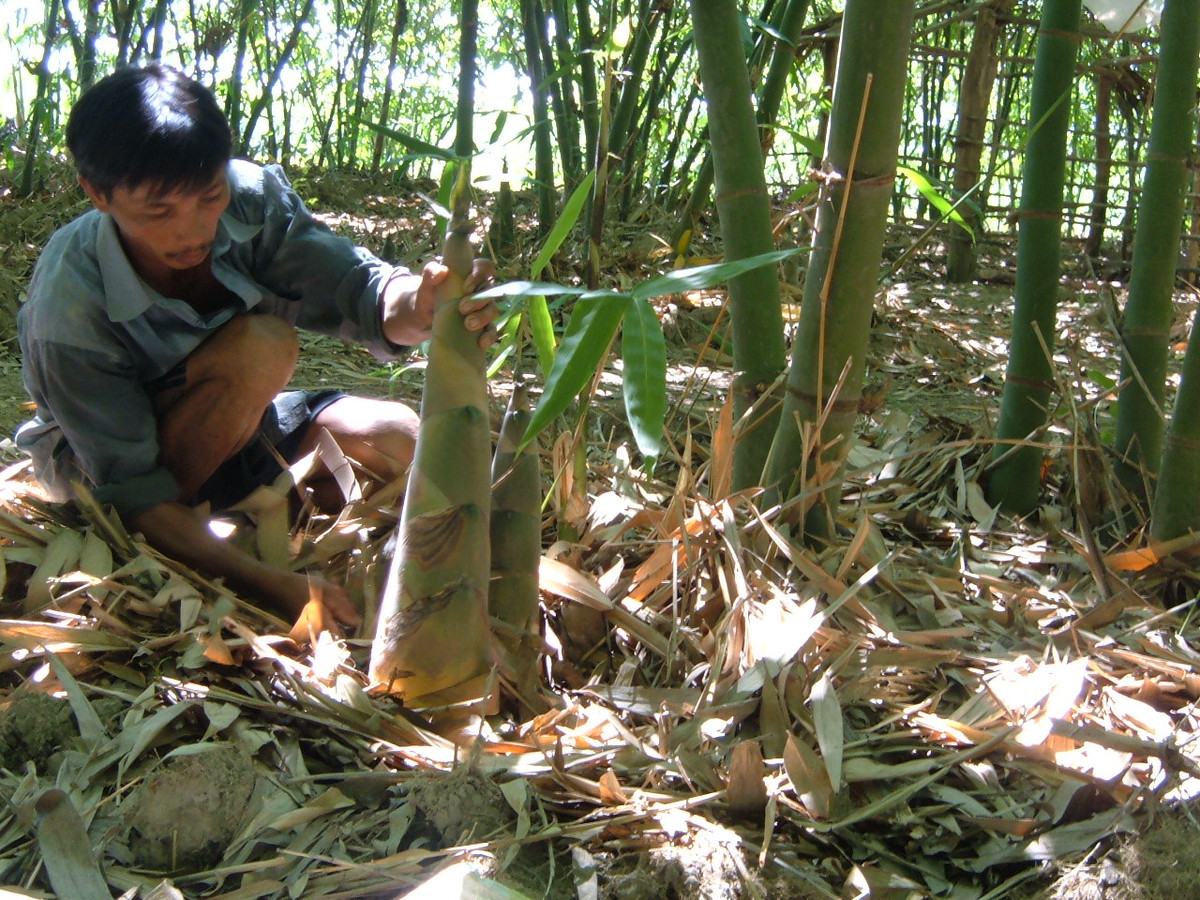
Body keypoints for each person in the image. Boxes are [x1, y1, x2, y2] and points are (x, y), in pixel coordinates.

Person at [16, 64, 498, 638]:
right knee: (262, 348)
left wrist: (422, 303)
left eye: (207, 196)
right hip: (118, 474)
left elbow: (361, 293)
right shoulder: (67, 309)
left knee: (400, 435)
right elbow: (131, 494)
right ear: (97, 194)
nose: (192, 229)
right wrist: (270, 586)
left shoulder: (251, 203)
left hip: (243, 422)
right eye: (158, 211)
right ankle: (216, 537)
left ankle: (240, 513)